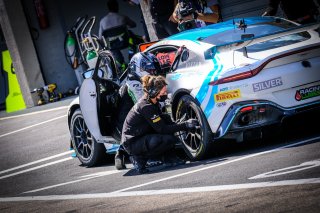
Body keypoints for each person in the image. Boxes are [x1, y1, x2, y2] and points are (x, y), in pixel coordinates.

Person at [120, 75, 198, 174]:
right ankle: (138, 158)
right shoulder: (146, 106)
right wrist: (185, 125)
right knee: (164, 139)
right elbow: (162, 130)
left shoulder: (153, 102)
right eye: (163, 92)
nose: (166, 94)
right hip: (132, 143)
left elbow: (163, 123)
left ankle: (169, 158)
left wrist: (179, 125)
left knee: (166, 118)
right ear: (154, 91)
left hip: (141, 136)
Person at [114, 52, 162, 170]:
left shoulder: (137, 80)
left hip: (129, 127)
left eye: (154, 70)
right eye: (149, 70)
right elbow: (146, 108)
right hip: (129, 129)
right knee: (153, 119)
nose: (153, 73)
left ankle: (120, 152)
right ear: (138, 68)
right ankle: (137, 156)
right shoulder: (133, 84)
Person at [99, 0, 137, 69]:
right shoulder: (122, 17)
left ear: (108, 8)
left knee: (110, 46)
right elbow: (133, 25)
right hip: (125, 41)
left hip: (113, 46)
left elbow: (100, 38)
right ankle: (132, 56)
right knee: (131, 36)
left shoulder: (103, 21)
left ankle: (122, 64)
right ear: (117, 7)